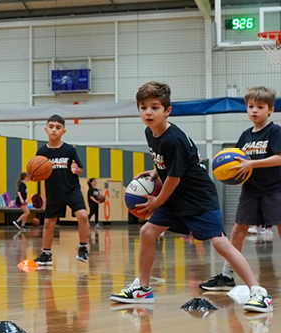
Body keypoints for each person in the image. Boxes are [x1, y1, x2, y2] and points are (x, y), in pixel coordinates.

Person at [112, 81, 272, 313]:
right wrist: (156, 171)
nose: (148, 112)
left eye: (155, 107)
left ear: (167, 111)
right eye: (143, 107)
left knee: (220, 243)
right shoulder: (151, 133)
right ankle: (143, 288)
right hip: (175, 198)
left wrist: (157, 202)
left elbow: (175, 178)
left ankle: (259, 292)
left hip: (197, 199)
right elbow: (172, 167)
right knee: (147, 231)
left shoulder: (173, 139)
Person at [201, 86, 281, 292]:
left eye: (260, 107)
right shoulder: (245, 136)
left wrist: (251, 164)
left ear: (270, 109)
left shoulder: (275, 131)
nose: (254, 110)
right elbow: (236, 160)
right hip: (251, 191)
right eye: (250, 106)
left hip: (274, 189)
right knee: (237, 231)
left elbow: (279, 158)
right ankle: (227, 275)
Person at [32, 115, 91, 267]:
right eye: (51, 126)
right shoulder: (42, 152)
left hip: (71, 189)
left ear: (63, 131)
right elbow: (37, 174)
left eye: (58, 128)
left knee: (83, 215)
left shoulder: (70, 150)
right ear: (46, 129)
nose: (54, 130)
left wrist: (76, 170)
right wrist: (34, 177)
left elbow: (80, 170)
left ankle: (83, 248)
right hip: (53, 192)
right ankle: (46, 254)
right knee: (48, 223)